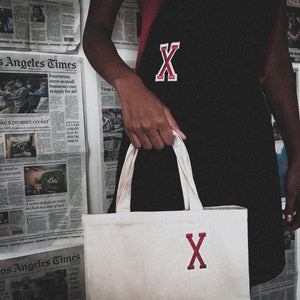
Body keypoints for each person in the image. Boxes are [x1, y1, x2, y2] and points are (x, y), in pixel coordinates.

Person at [83, 0, 300, 287]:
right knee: (155, 276)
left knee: (232, 276)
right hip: (164, 134)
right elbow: (95, 32)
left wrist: (298, 154)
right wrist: (129, 85)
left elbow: (274, 60)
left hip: (243, 144)